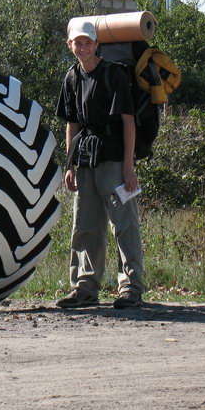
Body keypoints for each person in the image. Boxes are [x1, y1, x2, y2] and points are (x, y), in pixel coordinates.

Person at [55, 20, 145, 309]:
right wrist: (69, 165)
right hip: (85, 162)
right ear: (69, 45)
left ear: (96, 45)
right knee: (85, 226)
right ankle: (84, 289)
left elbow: (128, 122)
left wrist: (128, 167)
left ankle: (130, 288)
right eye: (76, 43)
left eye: (87, 42)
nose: (82, 47)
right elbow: (72, 124)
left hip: (115, 160)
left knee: (125, 225)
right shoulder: (71, 78)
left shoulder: (114, 75)